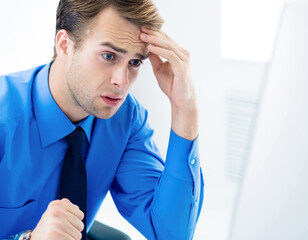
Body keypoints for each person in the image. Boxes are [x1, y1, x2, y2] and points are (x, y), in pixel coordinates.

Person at [0, 0, 204, 239]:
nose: (122, 80)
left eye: (135, 62)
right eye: (108, 56)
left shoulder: (126, 119)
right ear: (65, 45)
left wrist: (184, 108)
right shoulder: (6, 119)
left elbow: (171, 234)